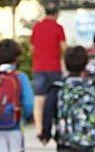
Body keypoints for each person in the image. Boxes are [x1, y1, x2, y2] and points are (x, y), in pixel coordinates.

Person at [39, 46, 95, 152]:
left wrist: (45, 133)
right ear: (85, 64)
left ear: (65, 63)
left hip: (65, 139)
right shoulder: (91, 87)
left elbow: (48, 110)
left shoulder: (59, 87)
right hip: (87, 139)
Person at [29, 0, 67, 133]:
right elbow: (64, 49)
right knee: (56, 97)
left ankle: (39, 129)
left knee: (39, 99)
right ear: (57, 13)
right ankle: (55, 126)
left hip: (39, 68)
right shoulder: (58, 28)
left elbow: (31, 48)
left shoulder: (36, 27)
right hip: (54, 68)